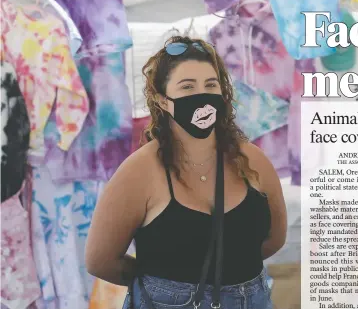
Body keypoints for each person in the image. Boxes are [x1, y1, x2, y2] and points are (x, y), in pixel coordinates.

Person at [84, 36, 288, 309]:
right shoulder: (138, 171)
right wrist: (165, 286)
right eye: (187, 87)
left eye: (210, 85)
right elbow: (101, 261)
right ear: (162, 100)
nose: (201, 96)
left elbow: (275, 239)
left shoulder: (253, 160)